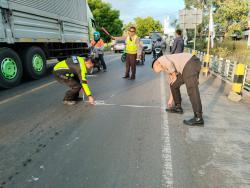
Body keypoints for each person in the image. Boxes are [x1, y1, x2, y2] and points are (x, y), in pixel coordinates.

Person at [152, 53, 204, 126]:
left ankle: (198, 117)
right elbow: (172, 80)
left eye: (154, 69)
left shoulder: (161, 59)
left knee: (192, 90)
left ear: (156, 64)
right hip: (186, 67)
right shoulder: (166, 69)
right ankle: (178, 107)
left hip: (190, 63)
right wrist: (170, 99)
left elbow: (169, 64)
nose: (155, 71)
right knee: (173, 85)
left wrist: (174, 75)